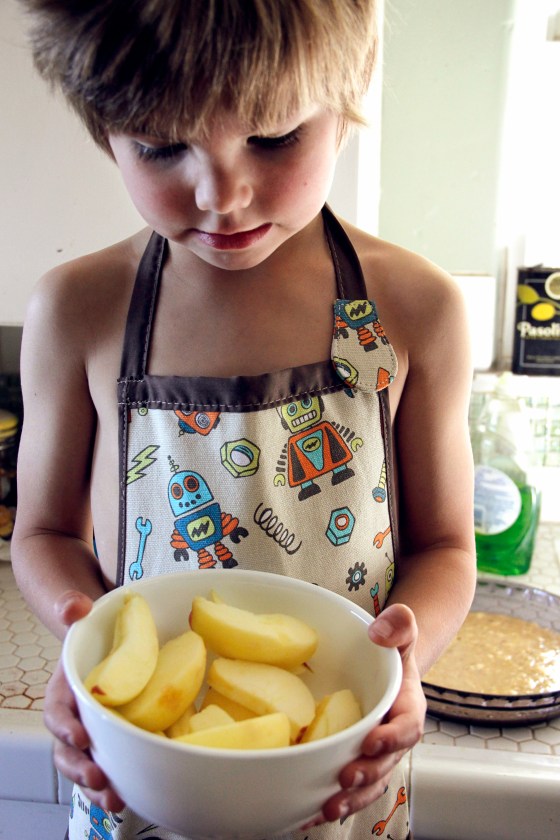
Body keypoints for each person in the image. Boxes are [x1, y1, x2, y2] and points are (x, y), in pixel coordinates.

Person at [11, 1, 477, 838]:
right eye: (160, 146)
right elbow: (44, 534)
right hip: (149, 752)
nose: (221, 194)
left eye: (273, 138)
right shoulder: (82, 310)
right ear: (103, 131)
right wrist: (84, 649)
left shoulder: (414, 309)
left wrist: (407, 662)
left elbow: (446, 547)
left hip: (340, 768)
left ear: (351, 86)